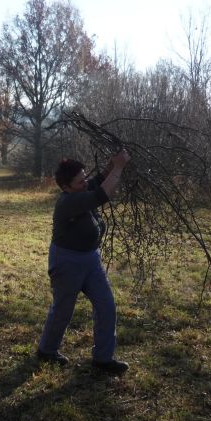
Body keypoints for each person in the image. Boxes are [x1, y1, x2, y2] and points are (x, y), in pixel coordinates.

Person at [37, 150, 131, 374]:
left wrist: (113, 163)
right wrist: (118, 168)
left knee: (106, 305)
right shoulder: (68, 202)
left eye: (84, 177)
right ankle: (47, 350)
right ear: (66, 187)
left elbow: (98, 181)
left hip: (91, 259)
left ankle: (103, 359)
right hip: (66, 261)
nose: (85, 182)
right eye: (80, 181)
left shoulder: (80, 189)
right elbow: (102, 193)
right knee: (63, 309)